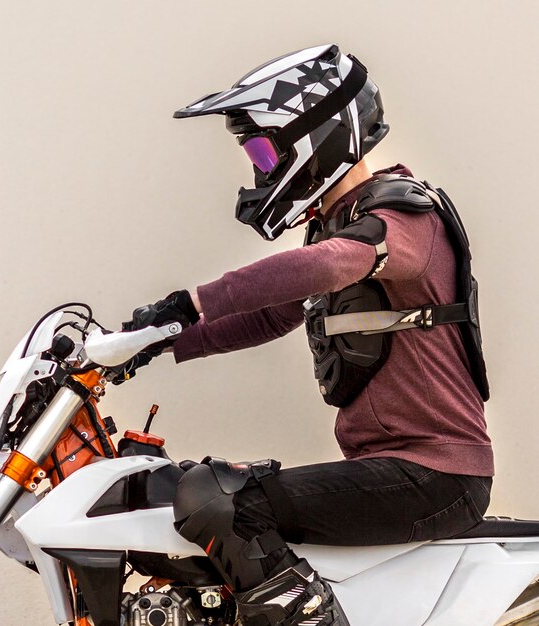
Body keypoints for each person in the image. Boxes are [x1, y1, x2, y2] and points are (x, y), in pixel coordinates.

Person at [123, 44, 494, 626]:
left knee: (221, 501)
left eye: (265, 149)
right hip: (390, 470)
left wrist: (193, 302)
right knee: (174, 490)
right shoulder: (340, 223)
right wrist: (158, 341)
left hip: (433, 476)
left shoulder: (403, 218)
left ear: (315, 136)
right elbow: (273, 314)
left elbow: (328, 266)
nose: (260, 168)